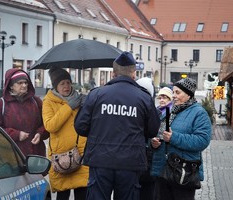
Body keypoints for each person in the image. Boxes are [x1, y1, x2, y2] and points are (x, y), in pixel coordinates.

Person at [74, 51, 160, 200]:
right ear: (134, 73)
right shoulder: (144, 97)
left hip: (100, 160)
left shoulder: (96, 94)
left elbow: (80, 127)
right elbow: (152, 130)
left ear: (113, 73)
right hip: (130, 162)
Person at [151, 77, 212, 200]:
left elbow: (202, 140)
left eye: (177, 92)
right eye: (173, 92)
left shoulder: (199, 113)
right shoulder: (170, 110)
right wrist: (155, 143)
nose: (173, 96)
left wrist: (174, 138)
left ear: (189, 94)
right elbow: (161, 133)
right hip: (163, 170)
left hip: (183, 173)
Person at [42, 67, 88, 200]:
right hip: (62, 157)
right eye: (62, 83)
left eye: (68, 82)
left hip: (81, 153)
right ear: (56, 86)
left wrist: (88, 105)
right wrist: (68, 107)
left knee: (83, 193)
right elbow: (50, 126)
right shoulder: (48, 102)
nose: (66, 86)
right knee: (63, 195)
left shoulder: (79, 99)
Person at [0, 68, 48, 157]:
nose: (24, 85)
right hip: (10, 155)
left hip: (35, 154)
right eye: (20, 83)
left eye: (26, 82)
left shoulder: (36, 102)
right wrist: (17, 135)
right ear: (11, 86)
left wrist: (40, 133)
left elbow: (47, 123)